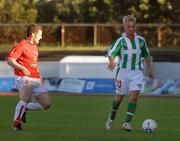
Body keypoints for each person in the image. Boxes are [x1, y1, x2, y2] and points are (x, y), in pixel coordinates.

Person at [105, 15, 153, 131]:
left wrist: (150, 70)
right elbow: (111, 52)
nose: (131, 29)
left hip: (137, 72)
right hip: (123, 72)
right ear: (124, 27)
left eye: (133, 26)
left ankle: (127, 123)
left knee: (135, 96)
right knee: (119, 98)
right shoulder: (121, 41)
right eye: (128, 27)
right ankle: (111, 118)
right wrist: (112, 62)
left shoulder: (140, 40)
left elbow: (146, 55)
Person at [6, 24, 51, 131]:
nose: (41, 37)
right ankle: (16, 124)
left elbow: (34, 63)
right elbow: (10, 60)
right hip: (23, 77)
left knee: (46, 104)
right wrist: (22, 68)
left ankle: (24, 109)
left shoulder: (35, 46)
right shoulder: (22, 45)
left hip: (36, 78)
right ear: (32, 34)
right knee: (26, 96)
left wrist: (39, 75)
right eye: (40, 34)